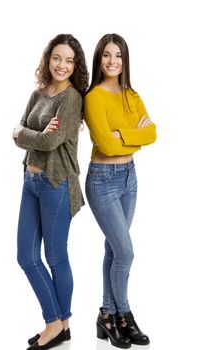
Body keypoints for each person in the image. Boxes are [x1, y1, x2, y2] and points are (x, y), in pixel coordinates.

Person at [12, 34, 89, 350]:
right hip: (30, 183)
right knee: (26, 256)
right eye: (57, 58)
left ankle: (56, 324)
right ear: (48, 60)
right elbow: (20, 133)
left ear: (75, 66)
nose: (62, 65)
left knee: (55, 257)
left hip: (57, 183)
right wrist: (28, 134)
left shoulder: (71, 99)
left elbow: (48, 142)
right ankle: (60, 324)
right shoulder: (38, 94)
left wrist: (24, 134)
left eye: (69, 60)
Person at [84, 33, 157, 348]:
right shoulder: (94, 97)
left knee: (114, 250)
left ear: (125, 60)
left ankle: (107, 315)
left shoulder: (132, 94)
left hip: (129, 177)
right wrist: (132, 134)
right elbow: (106, 143)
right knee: (125, 252)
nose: (112, 61)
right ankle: (124, 314)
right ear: (99, 58)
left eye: (119, 55)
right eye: (106, 55)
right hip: (102, 179)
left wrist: (122, 134)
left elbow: (153, 133)